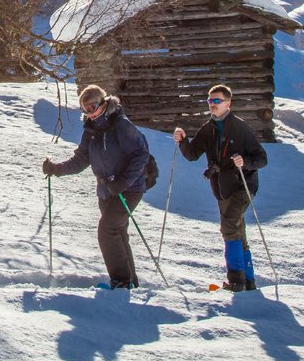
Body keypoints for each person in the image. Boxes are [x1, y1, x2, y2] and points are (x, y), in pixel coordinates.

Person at [42, 85, 151, 290]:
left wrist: (123, 181)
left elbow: (141, 154)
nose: (89, 113)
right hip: (106, 190)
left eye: (92, 107)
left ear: (103, 102)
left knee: (107, 230)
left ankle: (120, 282)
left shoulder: (120, 124)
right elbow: (81, 160)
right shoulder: (90, 130)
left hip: (129, 188)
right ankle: (129, 282)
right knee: (118, 233)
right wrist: (56, 169)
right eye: (85, 109)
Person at [173, 84, 267, 292]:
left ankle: (235, 280)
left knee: (228, 227)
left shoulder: (241, 128)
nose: (212, 105)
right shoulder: (208, 129)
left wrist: (245, 162)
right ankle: (248, 280)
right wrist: (182, 140)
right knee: (237, 231)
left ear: (228, 103)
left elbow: (261, 158)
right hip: (222, 188)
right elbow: (191, 154)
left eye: (216, 101)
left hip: (243, 185)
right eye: (209, 101)